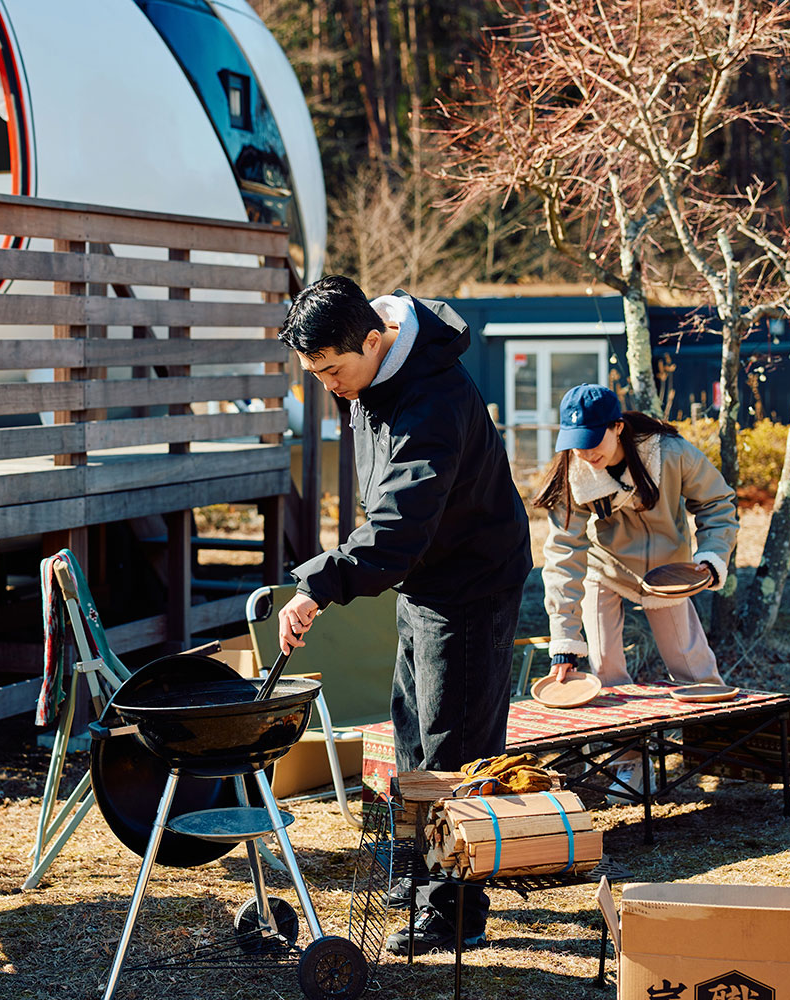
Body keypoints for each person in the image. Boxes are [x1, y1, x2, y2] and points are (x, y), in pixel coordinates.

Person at [274, 275, 531, 955]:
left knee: (456, 750)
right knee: (413, 729)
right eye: (316, 374)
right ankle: (421, 869)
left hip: (471, 583)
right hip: (426, 579)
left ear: (373, 338)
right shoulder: (373, 376)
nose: (330, 386)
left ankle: (454, 913)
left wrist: (315, 587)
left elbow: (396, 528)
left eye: (334, 369)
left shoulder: (432, 399)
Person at [533, 383, 739, 799]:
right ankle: (625, 768)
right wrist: (564, 641)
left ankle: (719, 752)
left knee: (693, 667)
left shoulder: (671, 453)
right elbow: (562, 558)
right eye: (576, 444)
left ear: (618, 427)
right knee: (606, 671)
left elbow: (718, 504)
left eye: (594, 441)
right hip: (605, 571)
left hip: (669, 573)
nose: (586, 453)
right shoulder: (573, 476)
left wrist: (710, 559)